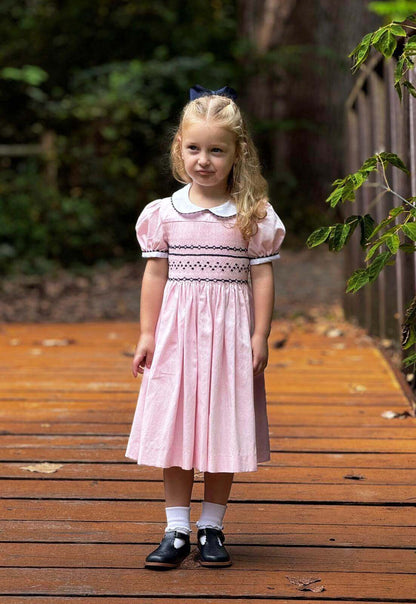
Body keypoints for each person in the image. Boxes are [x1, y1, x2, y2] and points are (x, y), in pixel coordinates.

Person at [125, 85, 286, 570]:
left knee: (221, 424)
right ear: (179, 148)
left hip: (229, 338)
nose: (204, 160)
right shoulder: (163, 214)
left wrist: (259, 336)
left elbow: (262, 275)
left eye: (217, 150)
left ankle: (211, 526)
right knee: (175, 427)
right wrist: (148, 334)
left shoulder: (251, 215)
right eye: (195, 148)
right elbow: (155, 273)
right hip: (176, 335)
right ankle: (175, 528)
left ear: (237, 153)